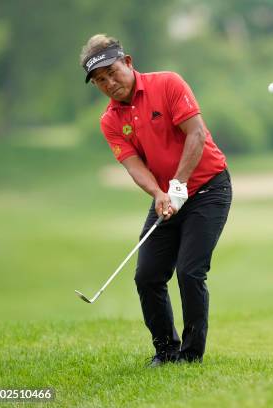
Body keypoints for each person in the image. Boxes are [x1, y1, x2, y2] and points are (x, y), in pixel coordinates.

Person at [79, 34, 232, 367]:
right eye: (100, 80)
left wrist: (179, 183)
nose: (109, 83)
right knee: (147, 275)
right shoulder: (110, 121)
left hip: (208, 188)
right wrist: (160, 194)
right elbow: (134, 166)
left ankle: (190, 356)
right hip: (167, 197)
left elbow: (196, 134)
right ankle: (165, 351)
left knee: (190, 272)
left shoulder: (168, 83)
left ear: (129, 62)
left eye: (112, 72)